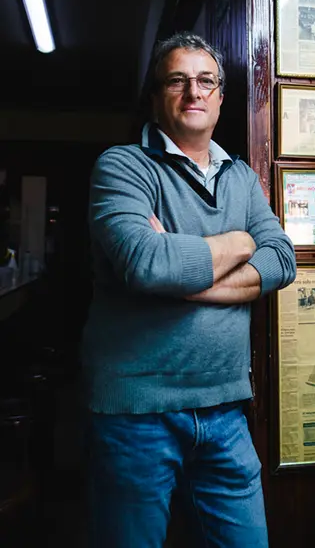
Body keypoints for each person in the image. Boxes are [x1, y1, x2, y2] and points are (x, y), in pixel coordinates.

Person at [80, 32, 297, 548]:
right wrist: (240, 242)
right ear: (157, 97)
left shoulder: (241, 177)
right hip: (137, 412)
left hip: (226, 409)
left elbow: (283, 261)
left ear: (220, 97)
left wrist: (185, 280)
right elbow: (148, 263)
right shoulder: (123, 166)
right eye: (177, 81)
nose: (193, 92)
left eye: (205, 81)